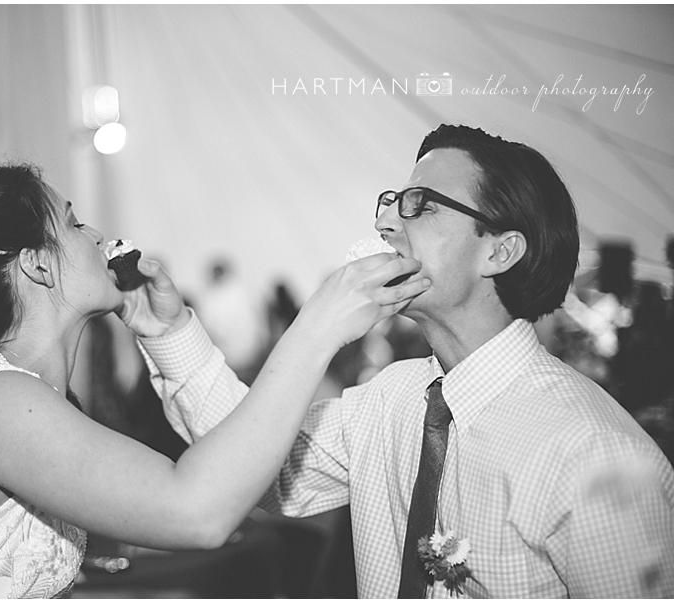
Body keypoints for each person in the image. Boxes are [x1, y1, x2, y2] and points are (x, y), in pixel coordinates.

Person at [137, 124, 674, 598]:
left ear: (499, 252)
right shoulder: (391, 398)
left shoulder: (592, 452)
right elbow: (254, 462)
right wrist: (168, 332)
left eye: (421, 204)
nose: (388, 225)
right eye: (393, 203)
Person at [0, 164, 428, 598]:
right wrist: (315, 332)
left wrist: (165, 333)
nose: (96, 234)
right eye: (74, 223)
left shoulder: (9, 393)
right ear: (37, 266)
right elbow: (196, 512)